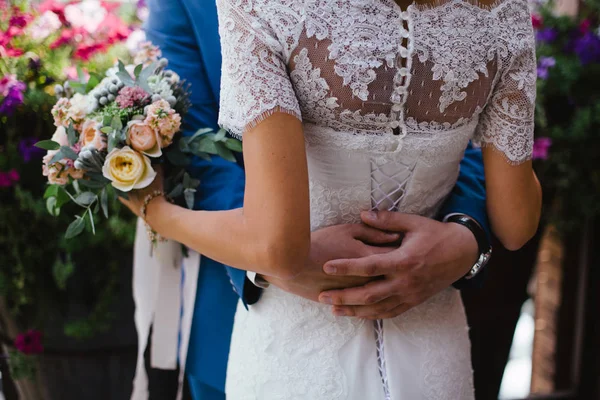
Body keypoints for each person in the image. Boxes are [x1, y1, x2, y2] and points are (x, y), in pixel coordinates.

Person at [125, 0, 542, 398]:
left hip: (295, 357)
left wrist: (154, 210)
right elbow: (517, 223)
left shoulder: (259, 7)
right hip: (431, 351)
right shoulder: (505, 13)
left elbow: (276, 245)